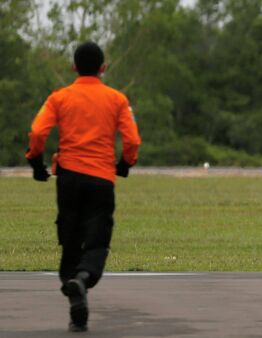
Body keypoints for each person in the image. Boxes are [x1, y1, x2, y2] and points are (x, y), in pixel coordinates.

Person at [25, 41, 141, 331]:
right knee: (97, 239)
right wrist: (125, 164)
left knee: (70, 237)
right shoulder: (116, 99)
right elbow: (132, 140)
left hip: (68, 178)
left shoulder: (59, 97)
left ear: (74, 67)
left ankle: (73, 289)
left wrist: (35, 163)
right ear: (103, 68)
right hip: (101, 178)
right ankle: (84, 279)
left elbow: (38, 131)